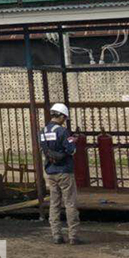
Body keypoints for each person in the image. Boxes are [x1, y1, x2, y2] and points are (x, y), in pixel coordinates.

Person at [40, 103, 80, 245]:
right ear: (62, 116)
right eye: (65, 118)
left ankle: (56, 235)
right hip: (64, 172)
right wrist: (73, 141)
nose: (65, 120)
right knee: (70, 203)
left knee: (54, 203)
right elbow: (72, 151)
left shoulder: (43, 131)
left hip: (50, 172)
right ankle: (73, 236)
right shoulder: (63, 132)